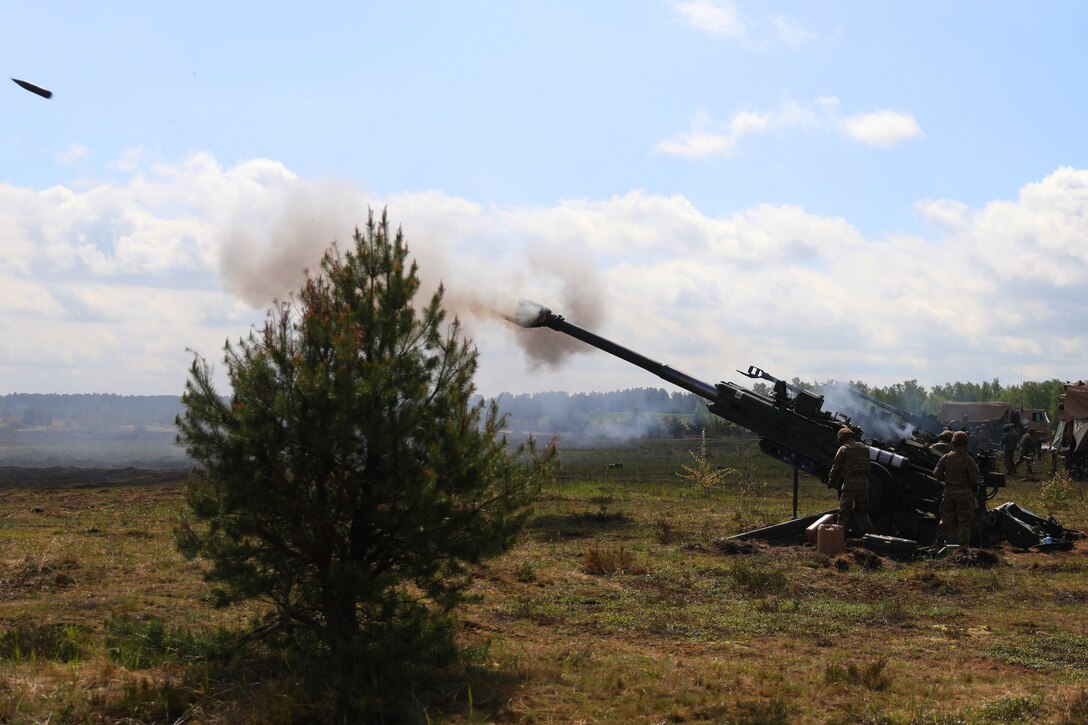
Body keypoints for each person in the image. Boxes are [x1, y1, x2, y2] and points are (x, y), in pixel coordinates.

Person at [933, 430, 981, 548]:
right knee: (964, 523)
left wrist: (947, 479)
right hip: (965, 494)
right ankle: (963, 550)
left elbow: (936, 474)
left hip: (949, 492)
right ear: (965, 444)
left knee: (945, 521)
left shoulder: (946, 458)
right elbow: (976, 478)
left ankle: (939, 545)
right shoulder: (968, 460)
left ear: (953, 443)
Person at [828, 427, 874, 535]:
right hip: (864, 484)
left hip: (850, 485)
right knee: (861, 511)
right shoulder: (865, 448)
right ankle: (871, 535)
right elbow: (868, 466)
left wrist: (831, 480)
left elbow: (836, 467)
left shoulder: (844, 449)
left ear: (842, 439)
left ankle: (838, 538)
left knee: (844, 512)